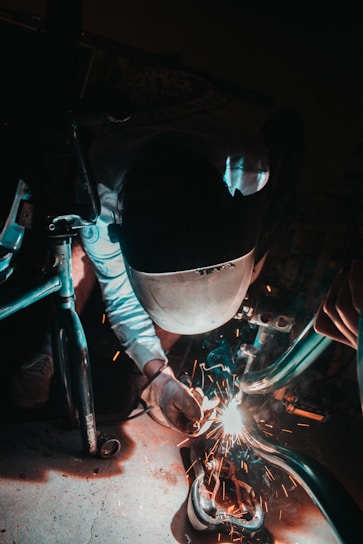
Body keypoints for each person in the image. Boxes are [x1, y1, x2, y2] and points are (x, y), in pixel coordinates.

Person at [9, 59, 274, 435]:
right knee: (79, 256)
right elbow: (119, 298)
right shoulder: (103, 201)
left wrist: (161, 380)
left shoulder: (248, 167)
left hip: (196, 144)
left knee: (190, 302)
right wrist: (161, 374)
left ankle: (149, 373)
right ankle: (50, 353)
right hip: (113, 146)